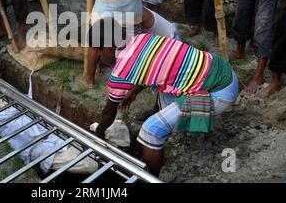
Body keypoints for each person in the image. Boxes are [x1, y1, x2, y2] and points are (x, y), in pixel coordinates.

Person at [93, 18, 239, 177]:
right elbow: (154, 70)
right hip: (223, 70)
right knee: (163, 89)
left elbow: (108, 113)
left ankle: (152, 179)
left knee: (151, 130)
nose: (98, 55)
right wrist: (134, 92)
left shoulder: (120, 72)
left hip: (217, 91)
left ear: (107, 48)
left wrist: (98, 135)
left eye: (97, 50)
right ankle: (173, 130)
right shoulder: (144, 38)